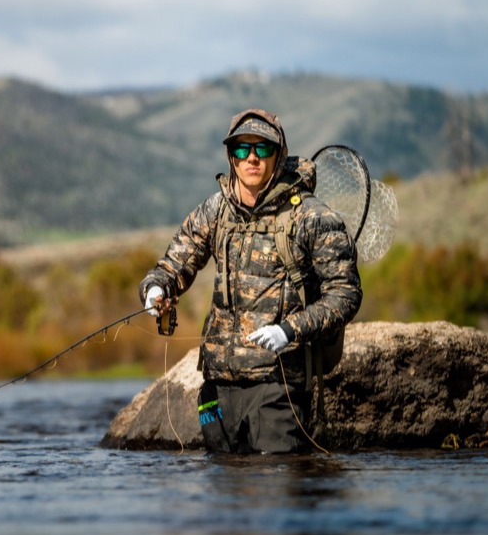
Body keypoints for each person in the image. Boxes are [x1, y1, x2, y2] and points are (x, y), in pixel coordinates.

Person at [138, 108, 362, 453]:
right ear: (231, 156)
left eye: (263, 148)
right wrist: (156, 290)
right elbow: (171, 267)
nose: (252, 158)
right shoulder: (214, 210)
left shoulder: (312, 217)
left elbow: (345, 295)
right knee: (224, 499)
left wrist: (290, 330)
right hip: (216, 387)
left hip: (278, 388)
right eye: (242, 149)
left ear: (279, 154)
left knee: (275, 493)